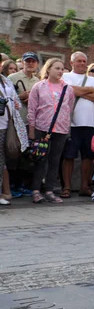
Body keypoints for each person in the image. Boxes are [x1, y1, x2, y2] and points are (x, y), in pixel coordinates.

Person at [27, 58, 75, 204]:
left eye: (62, 68)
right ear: (48, 69)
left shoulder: (68, 88)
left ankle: (49, 190)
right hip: (42, 127)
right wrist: (31, 129)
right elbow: (32, 108)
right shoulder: (39, 86)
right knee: (41, 160)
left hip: (60, 129)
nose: (60, 71)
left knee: (55, 161)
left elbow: (69, 107)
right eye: (57, 68)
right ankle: (36, 190)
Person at [61, 52, 94, 198]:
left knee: (88, 156)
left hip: (90, 123)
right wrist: (88, 91)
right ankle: (66, 187)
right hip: (71, 124)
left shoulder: (93, 79)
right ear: (72, 62)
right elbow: (67, 90)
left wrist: (78, 92)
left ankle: (84, 186)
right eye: (79, 61)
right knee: (69, 156)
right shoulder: (66, 77)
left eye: (84, 61)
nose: (82, 63)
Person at [7, 52, 40, 198]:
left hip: (30, 122)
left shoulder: (37, 81)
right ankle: (11, 185)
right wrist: (22, 96)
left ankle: (21, 185)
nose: (30, 63)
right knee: (14, 154)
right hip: (16, 121)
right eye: (28, 61)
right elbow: (7, 98)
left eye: (33, 61)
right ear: (23, 62)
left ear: (37, 64)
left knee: (26, 156)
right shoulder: (12, 78)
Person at [0, 71, 20, 205]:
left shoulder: (5, 80)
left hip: (7, 125)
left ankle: (2, 192)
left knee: (2, 161)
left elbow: (15, 99)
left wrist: (16, 104)